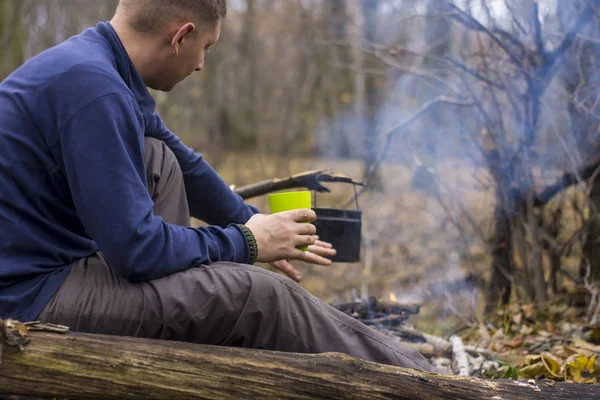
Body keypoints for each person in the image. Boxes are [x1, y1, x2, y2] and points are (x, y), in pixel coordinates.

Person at [0, 0, 435, 372]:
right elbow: (136, 251)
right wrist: (246, 242)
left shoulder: (94, 63)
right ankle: (431, 383)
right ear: (181, 36)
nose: (201, 64)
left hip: (37, 269)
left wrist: (253, 221)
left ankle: (178, 338)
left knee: (160, 159)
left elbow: (186, 164)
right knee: (261, 294)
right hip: (28, 298)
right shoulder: (97, 93)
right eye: (205, 47)